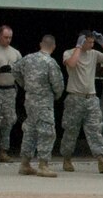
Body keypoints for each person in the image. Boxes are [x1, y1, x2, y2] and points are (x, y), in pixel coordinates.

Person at [61, 30, 103, 174]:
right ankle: (67, 158)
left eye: (93, 42)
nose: (92, 44)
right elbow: (72, 64)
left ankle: (101, 159)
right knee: (71, 130)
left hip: (91, 98)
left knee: (95, 129)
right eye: (89, 41)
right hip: (75, 97)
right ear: (82, 41)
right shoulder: (69, 53)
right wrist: (78, 47)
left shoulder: (94, 54)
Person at [12, 35, 64, 177]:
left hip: (29, 99)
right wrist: (56, 96)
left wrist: (25, 85)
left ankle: (25, 164)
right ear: (53, 47)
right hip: (44, 101)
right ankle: (43, 165)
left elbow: (14, 70)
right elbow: (58, 85)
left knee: (30, 130)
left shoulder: (28, 58)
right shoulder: (50, 63)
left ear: (41, 44)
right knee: (47, 131)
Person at [0, 24, 24, 161]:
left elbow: (21, 71)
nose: (8, 40)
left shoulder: (15, 53)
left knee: (8, 120)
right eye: (5, 37)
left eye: (10, 37)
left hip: (9, 90)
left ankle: (3, 151)